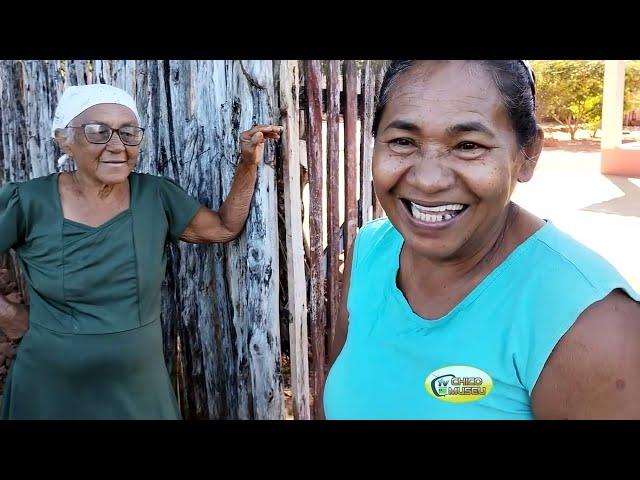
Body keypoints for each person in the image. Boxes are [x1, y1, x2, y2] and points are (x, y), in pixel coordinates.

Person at [323, 60, 640, 419]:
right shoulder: (370, 253)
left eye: (468, 145)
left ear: (528, 154)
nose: (428, 180)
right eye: (403, 142)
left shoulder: (594, 326)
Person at [0, 83, 282, 419]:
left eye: (128, 132)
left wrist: (248, 161)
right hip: (49, 388)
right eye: (98, 132)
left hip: (137, 389)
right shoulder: (28, 202)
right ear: (64, 139)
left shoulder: (156, 196)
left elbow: (224, 227)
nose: (117, 146)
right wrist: (11, 317)